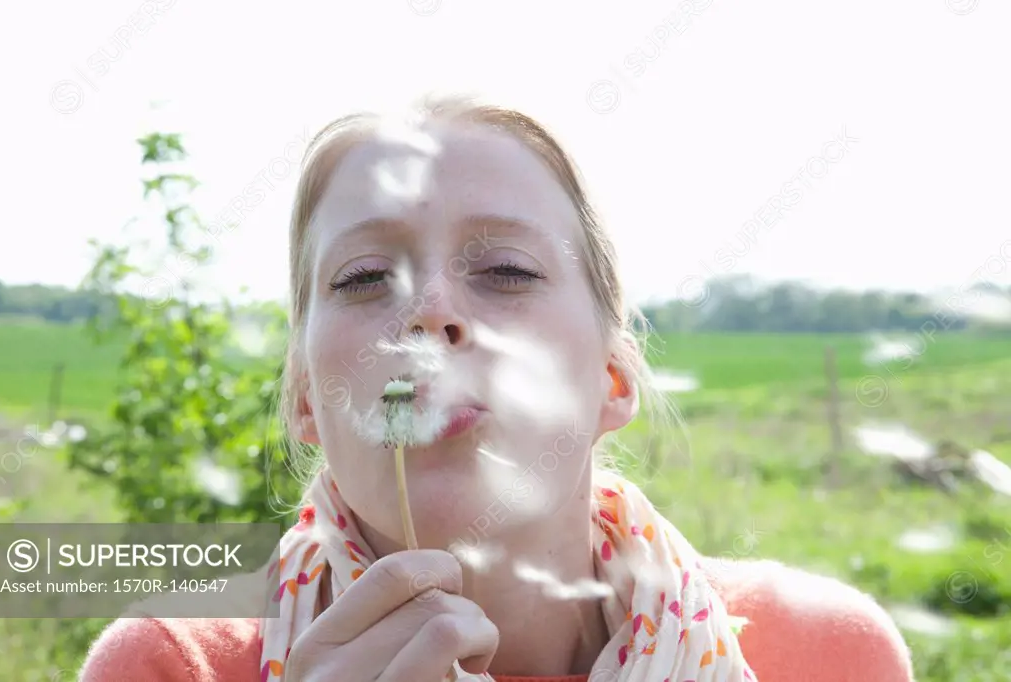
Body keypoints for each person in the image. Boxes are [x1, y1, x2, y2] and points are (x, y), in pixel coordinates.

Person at [79, 94, 914, 681]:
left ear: (613, 379)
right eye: (366, 278)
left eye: (508, 271)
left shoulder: (826, 655)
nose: (429, 311)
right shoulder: (167, 664)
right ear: (303, 397)